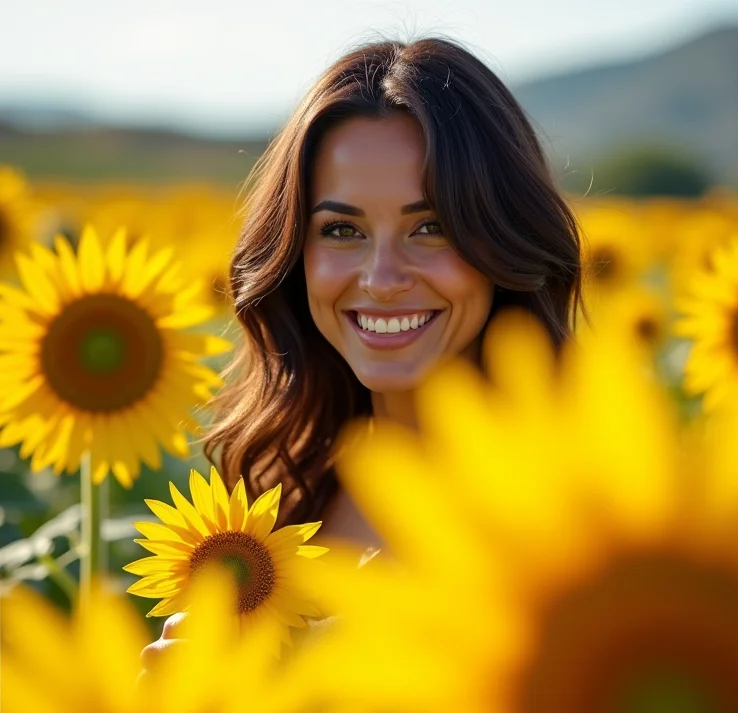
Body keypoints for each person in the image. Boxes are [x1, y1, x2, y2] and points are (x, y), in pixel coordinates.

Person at [141, 35, 582, 665]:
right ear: (296, 254)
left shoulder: (579, 521)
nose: (380, 277)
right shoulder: (275, 505)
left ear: (503, 244)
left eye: (431, 227)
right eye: (342, 230)